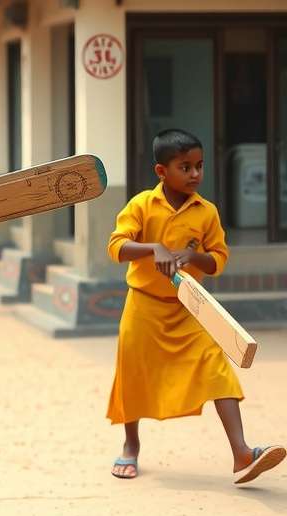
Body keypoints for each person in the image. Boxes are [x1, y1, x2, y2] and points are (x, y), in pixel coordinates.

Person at [106, 128, 285, 484]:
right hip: (143, 306)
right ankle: (130, 446)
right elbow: (116, 246)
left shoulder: (207, 212)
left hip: (191, 309)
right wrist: (152, 248)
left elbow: (219, 258)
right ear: (161, 172)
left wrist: (194, 256)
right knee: (132, 375)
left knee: (218, 366)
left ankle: (241, 454)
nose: (195, 174)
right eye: (184, 167)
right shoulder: (142, 204)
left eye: (199, 166)